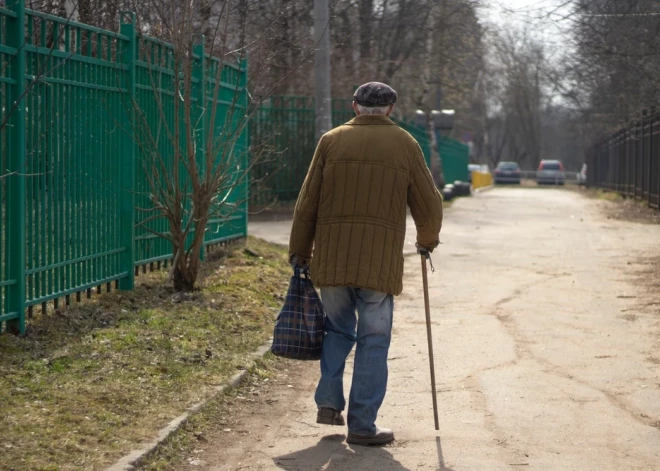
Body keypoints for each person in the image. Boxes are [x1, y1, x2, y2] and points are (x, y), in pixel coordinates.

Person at [288, 82, 443, 446]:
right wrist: (426, 241)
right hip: (379, 264)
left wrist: (300, 250)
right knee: (373, 340)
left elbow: (307, 201)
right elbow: (429, 202)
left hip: (333, 259)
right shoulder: (406, 143)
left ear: (355, 106)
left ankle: (328, 402)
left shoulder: (331, 141)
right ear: (391, 108)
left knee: (338, 330)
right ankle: (361, 425)